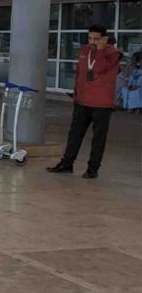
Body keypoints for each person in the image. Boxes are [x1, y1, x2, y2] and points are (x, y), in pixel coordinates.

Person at [48, 24, 122, 179]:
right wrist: (76, 93)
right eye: (90, 38)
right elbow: (80, 74)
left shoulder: (114, 54)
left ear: (104, 39)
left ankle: (92, 169)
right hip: (82, 101)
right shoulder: (84, 51)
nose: (92, 41)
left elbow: (99, 68)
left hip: (101, 104)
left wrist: (101, 49)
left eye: (96, 39)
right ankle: (66, 164)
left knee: (98, 138)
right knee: (74, 134)